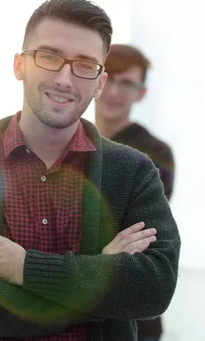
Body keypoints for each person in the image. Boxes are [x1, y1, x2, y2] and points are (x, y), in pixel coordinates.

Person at [0, 0, 181, 341]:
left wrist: (25, 269)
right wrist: (100, 278)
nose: (65, 79)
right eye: (49, 57)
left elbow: (153, 288)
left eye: (85, 65)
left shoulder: (135, 172)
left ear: (99, 83)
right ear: (19, 65)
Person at [95, 44, 175, 341]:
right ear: (96, 81)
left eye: (126, 83)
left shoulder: (156, 153)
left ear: (141, 93)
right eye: (109, 79)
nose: (114, 91)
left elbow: (139, 232)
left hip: (136, 317)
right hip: (75, 310)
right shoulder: (65, 141)